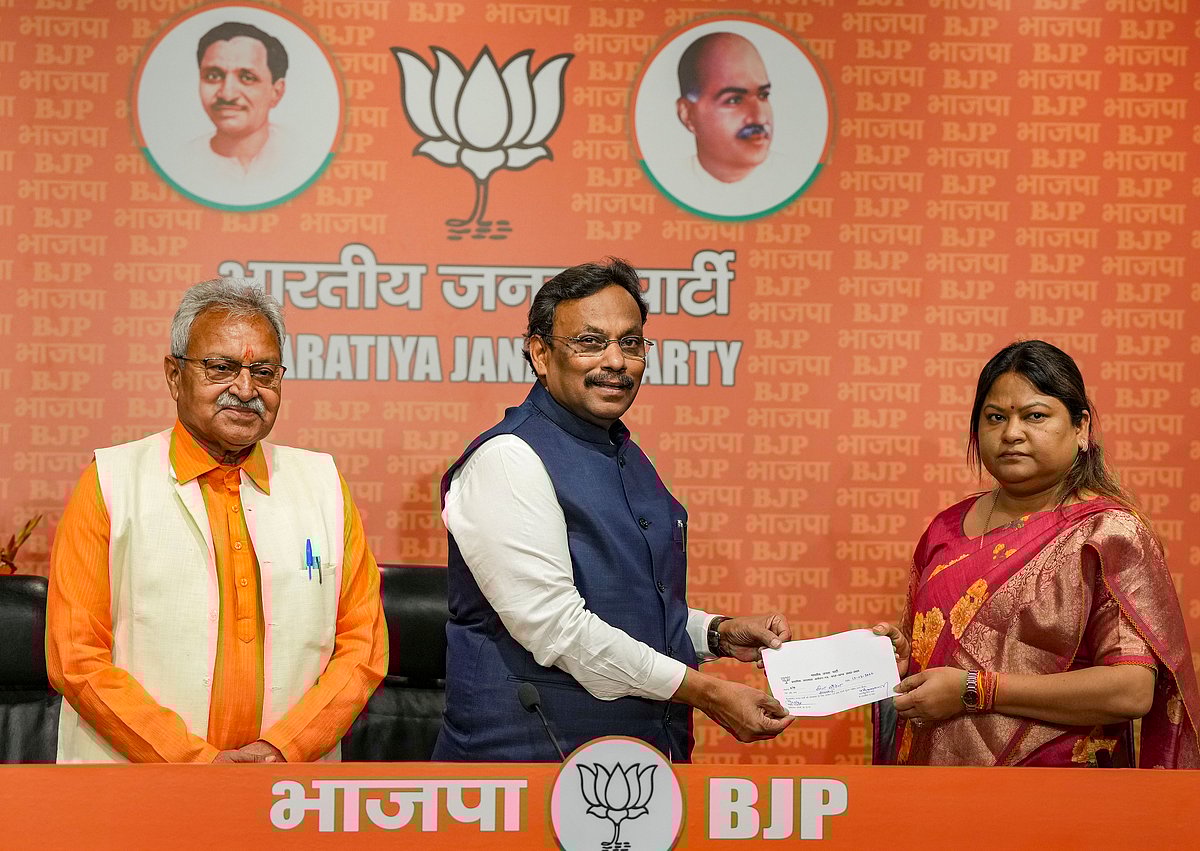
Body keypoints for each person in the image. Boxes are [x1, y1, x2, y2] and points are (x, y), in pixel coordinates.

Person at [434, 258, 794, 761]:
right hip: (525, 774)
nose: (616, 360)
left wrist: (714, 633)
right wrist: (706, 692)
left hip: (628, 765)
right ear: (540, 353)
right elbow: (557, 627)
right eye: (589, 342)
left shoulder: (624, 453)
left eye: (630, 343)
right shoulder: (509, 458)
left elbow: (621, 604)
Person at [47, 277, 387, 762]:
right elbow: (75, 656)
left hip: (288, 787)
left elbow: (363, 642)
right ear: (173, 375)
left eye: (264, 372)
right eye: (221, 368)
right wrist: (194, 762)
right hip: (136, 788)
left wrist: (285, 747)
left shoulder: (324, 485)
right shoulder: (111, 481)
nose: (245, 390)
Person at [874, 340, 1199, 767]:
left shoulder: (1108, 532)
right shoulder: (945, 528)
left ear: (1080, 428)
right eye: (995, 418)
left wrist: (976, 689)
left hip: (1057, 800)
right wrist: (904, 660)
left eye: (1035, 416)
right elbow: (944, 656)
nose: (1011, 433)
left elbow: (1131, 690)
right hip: (938, 792)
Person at [676, 32, 776, 186]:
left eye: (763, 95)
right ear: (687, 114)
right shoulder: (674, 179)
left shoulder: (795, 177)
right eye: (734, 100)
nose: (759, 117)